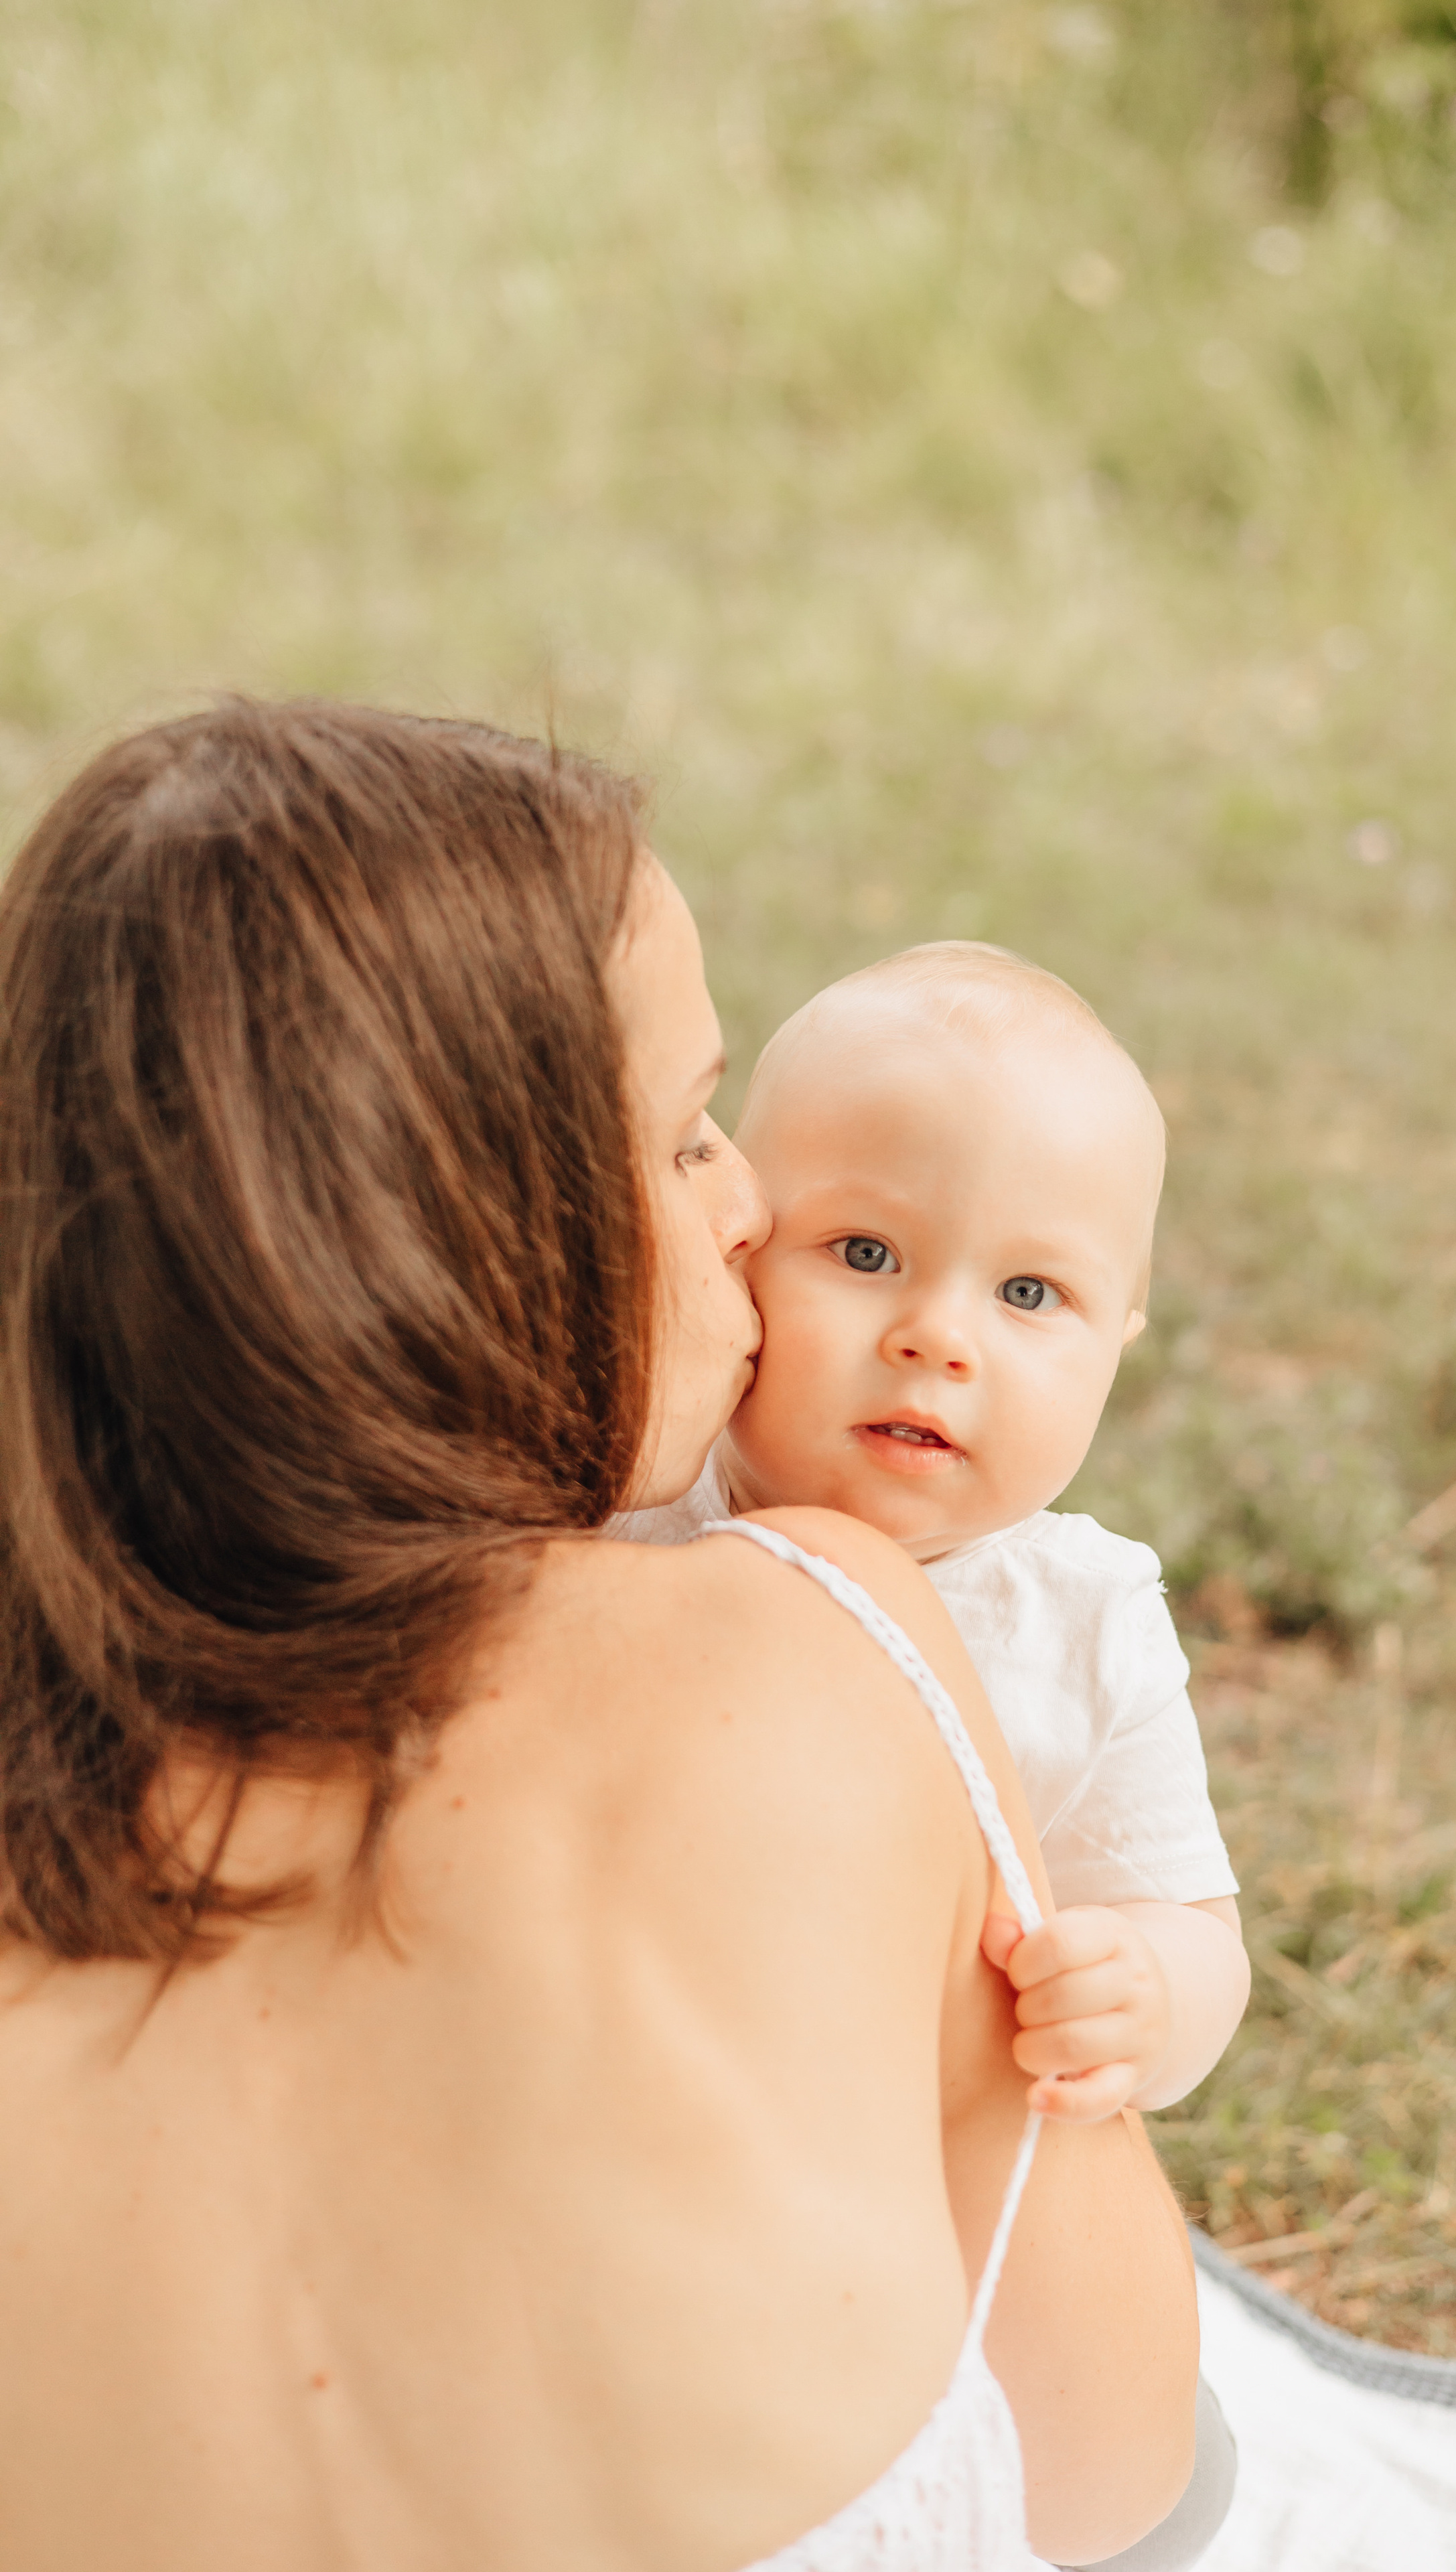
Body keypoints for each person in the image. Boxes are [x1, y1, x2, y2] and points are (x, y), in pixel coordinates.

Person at [0, 701, 1197, 2572]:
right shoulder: (824, 1638)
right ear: (450, 1232)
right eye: (688, 1133)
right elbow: (1116, 2465)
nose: (751, 1217)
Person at [618, 944, 1248, 2572]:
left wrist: (1147, 1994)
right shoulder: (647, 1518)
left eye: (1026, 1294)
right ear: (743, 1241)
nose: (934, 1337)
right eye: (865, 1250)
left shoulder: (1084, 1620)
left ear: (1119, 1336)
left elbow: (1190, 1926)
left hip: (943, 2195)